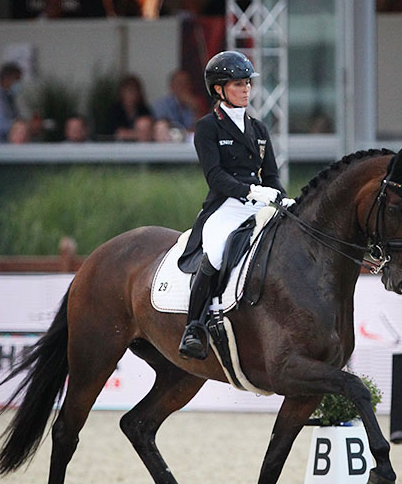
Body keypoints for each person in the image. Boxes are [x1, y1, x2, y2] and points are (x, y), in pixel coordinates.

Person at [177, 50, 294, 360]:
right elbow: (215, 176)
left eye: (247, 83)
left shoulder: (259, 129)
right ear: (219, 89)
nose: (246, 89)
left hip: (259, 203)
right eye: (238, 84)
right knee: (215, 253)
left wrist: (281, 197)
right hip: (225, 205)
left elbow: (271, 175)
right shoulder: (207, 127)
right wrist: (250, 191)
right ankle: (194, 327)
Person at [106, 74, 153, 140]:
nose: (131, 95)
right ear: (121, 92)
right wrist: (138, 134)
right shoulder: (114, 110)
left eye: (134, 91)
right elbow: (118, 133)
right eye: (128, 91)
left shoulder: (144, 109)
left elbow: (150, 132)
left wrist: (130, 134)